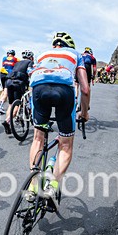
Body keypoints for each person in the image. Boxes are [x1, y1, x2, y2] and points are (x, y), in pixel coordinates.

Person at [27, 32, 90, 207]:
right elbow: (84, 89)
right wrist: (84, 113)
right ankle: (51, 186)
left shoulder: (42, 54)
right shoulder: (76, 55)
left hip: (39, 89)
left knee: (38, 138)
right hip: (64, 91)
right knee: (66, 145)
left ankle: (33, 186)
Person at [2, 50, 34, 134]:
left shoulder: (17, 63)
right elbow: (30, 73)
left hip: (9, 81)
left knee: (11, 104)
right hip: (18, 82)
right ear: (31, 57)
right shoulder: (30, 62)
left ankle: (8, 124)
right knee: (18, 103)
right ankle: (7, 121)